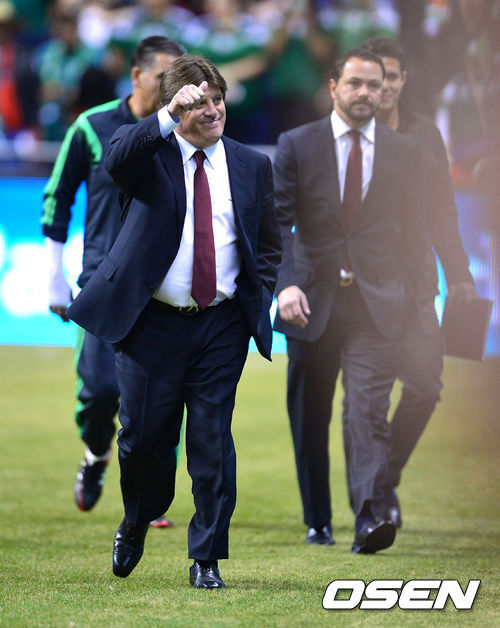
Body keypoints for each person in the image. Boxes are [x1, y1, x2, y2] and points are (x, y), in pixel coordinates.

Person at [66, 55, 281, 588]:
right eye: (198, 102)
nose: (212, 110)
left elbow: (270, 243)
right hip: (151, 324)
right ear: (175, 107)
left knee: (212, 440)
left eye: (217, 100)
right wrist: (165, 116)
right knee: (143, 440)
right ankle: (137, 519)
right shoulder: (148, 157)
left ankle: (206, 557)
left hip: (221, 325)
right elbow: (116, 157)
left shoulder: (252, 164)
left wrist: (259, 294)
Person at [273, 47, 427, 553]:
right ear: (334, 87)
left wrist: (414, 297)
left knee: (369, 412)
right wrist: (285, 285)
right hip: (309, 302)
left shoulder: (405, 151)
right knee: (309, 415)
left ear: (386, 90)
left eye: (374, 85)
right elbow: (277, 225)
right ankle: (317, 518)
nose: (366, 93)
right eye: (356, 83)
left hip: (376, 306)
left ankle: (367, 518)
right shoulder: (296, 144)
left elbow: (416, 231)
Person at [42, 36, 186, 526]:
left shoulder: (184, 131)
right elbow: (58, 198)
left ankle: (148, 497)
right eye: (164, 76)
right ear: (137, 76)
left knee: (159, 402)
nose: (173, 87)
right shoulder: (92, 126)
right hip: (102, 283)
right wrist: (54, 276)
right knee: (100, 392)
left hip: (165, 287)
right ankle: (96, 451)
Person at [356, 36, 477, 528]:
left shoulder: (426, 134)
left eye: (391, 76)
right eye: (374, 76)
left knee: (425, 387)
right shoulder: (347, 130)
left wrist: (460, 276)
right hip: (361, 289)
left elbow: (443, 212)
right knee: (368, 400)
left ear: (403, 80)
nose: (383, 85)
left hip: (418, 284)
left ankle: (385, 479)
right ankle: (373, 501)